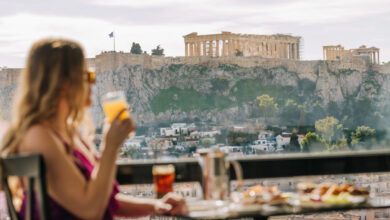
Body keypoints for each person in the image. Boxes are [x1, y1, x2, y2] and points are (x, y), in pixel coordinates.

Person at [0, 38, 187, 220]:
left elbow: (101, 198)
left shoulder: (69, 133)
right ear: (64, 83)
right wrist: (110, 146)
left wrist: (157, 206)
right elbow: (90, 210)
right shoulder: (38, 136)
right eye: (88, 76)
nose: (93, 83)